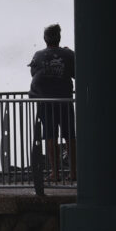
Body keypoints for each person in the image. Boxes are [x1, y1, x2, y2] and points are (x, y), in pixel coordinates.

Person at [29, 23, 76, 181]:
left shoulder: (38, 55)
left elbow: (33, 74)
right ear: (59, 38)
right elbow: (77, 73)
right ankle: (74, 172)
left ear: (45, 39)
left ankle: (55, 173)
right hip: (65, 100)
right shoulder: (68, 54)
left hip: (45, 101)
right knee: (69, 136)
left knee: (50, 136)